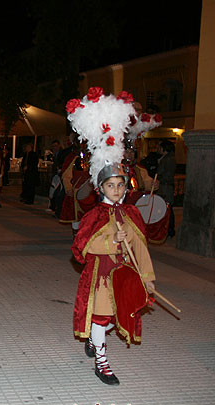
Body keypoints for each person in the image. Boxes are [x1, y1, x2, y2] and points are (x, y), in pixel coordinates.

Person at [67, 87, 157, 386]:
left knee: (114, 318)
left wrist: (147, 275)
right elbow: (82, 248)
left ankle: (96, 341)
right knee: (102, 316)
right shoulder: (94, 216)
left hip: (125, 272)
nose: (116, 190)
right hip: (101, 274)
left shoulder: (131, 213)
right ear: (100, 188)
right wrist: (111, 241)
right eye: (111, 186)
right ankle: (102, 362)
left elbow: (141, 247)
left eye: (120, 185)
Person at [156, 139, 176, 238]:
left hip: (166, 186)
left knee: (167, 208)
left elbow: (166, 174)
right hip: (166, 185)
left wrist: (159, 177)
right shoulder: (169, 158)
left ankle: (169, 230)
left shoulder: (167, 159)